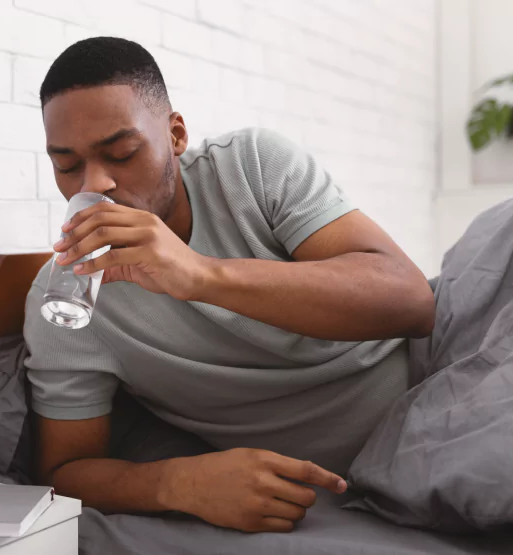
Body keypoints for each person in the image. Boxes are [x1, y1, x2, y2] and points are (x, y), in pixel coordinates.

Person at [23, 36, 435, 534]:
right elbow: (65, 473)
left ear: (175, 134)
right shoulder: (67, 301)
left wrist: (199, 274)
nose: (95, 185)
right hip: (344, 483)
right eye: (67, 165)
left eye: (123, 153)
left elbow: (412, 301)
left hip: (437, 390)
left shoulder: (250, 167)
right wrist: (178, 483)